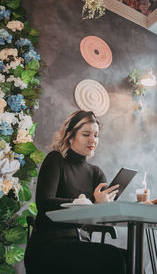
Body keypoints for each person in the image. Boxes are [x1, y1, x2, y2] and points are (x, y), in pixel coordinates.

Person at [24, 110, 127, 274]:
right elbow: (44, 203)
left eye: (96, 135)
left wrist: (104, 207)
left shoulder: (96, 173)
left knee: (129, 258)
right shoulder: (55, 159)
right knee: (112, 258)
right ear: (70, 136)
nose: (92, 140)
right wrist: (89, 204)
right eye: (86, 134)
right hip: (48, 244)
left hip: (79, 243)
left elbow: (102, 219)